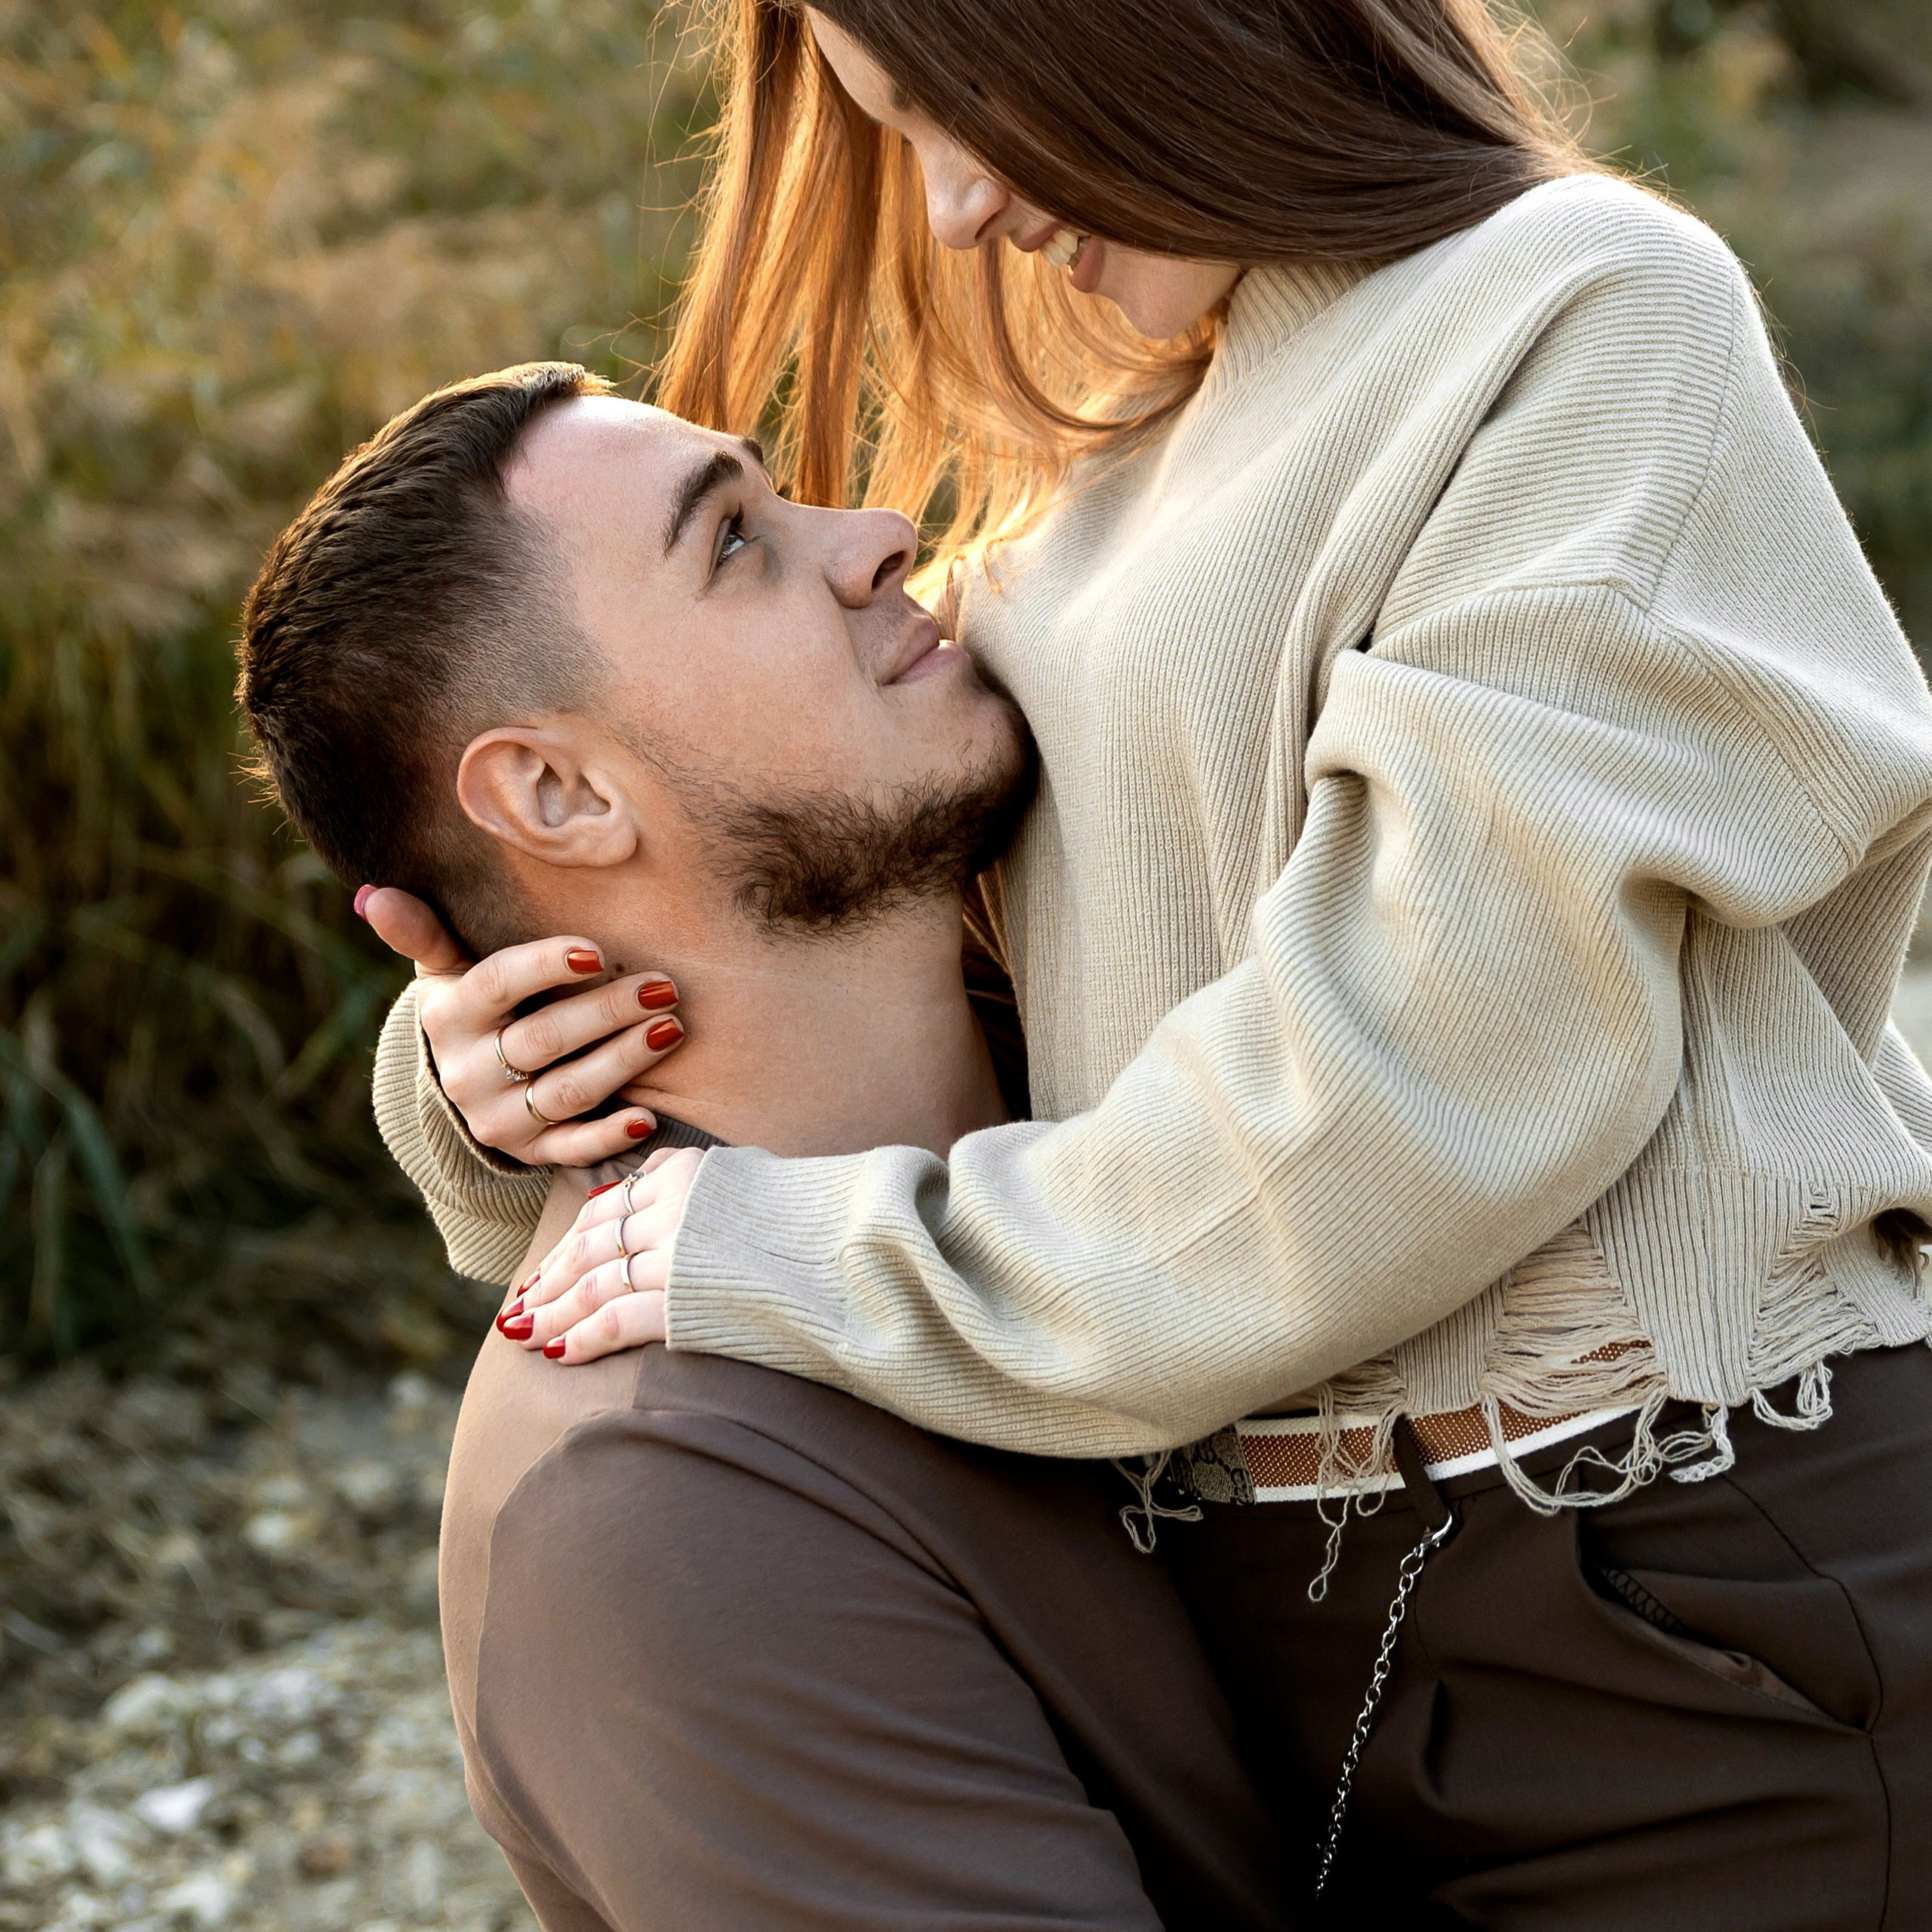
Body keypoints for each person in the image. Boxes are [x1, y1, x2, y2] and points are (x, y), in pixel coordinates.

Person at [362, 2, 1932, 1922]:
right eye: (898, 129)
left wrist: (789, 1250)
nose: (946, 207)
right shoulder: (1125, 431)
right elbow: (789, 834)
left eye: (960, 105)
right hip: (1287, 1619)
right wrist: (480, 1074)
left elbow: (1412, 1092)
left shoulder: (1574, 312)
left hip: (1675, 1587)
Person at [235, 365, 1294, 1931]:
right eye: (734, 541)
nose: (876, 534)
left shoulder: (1179, 1103)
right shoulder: (664, 1511)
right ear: (556, 791)